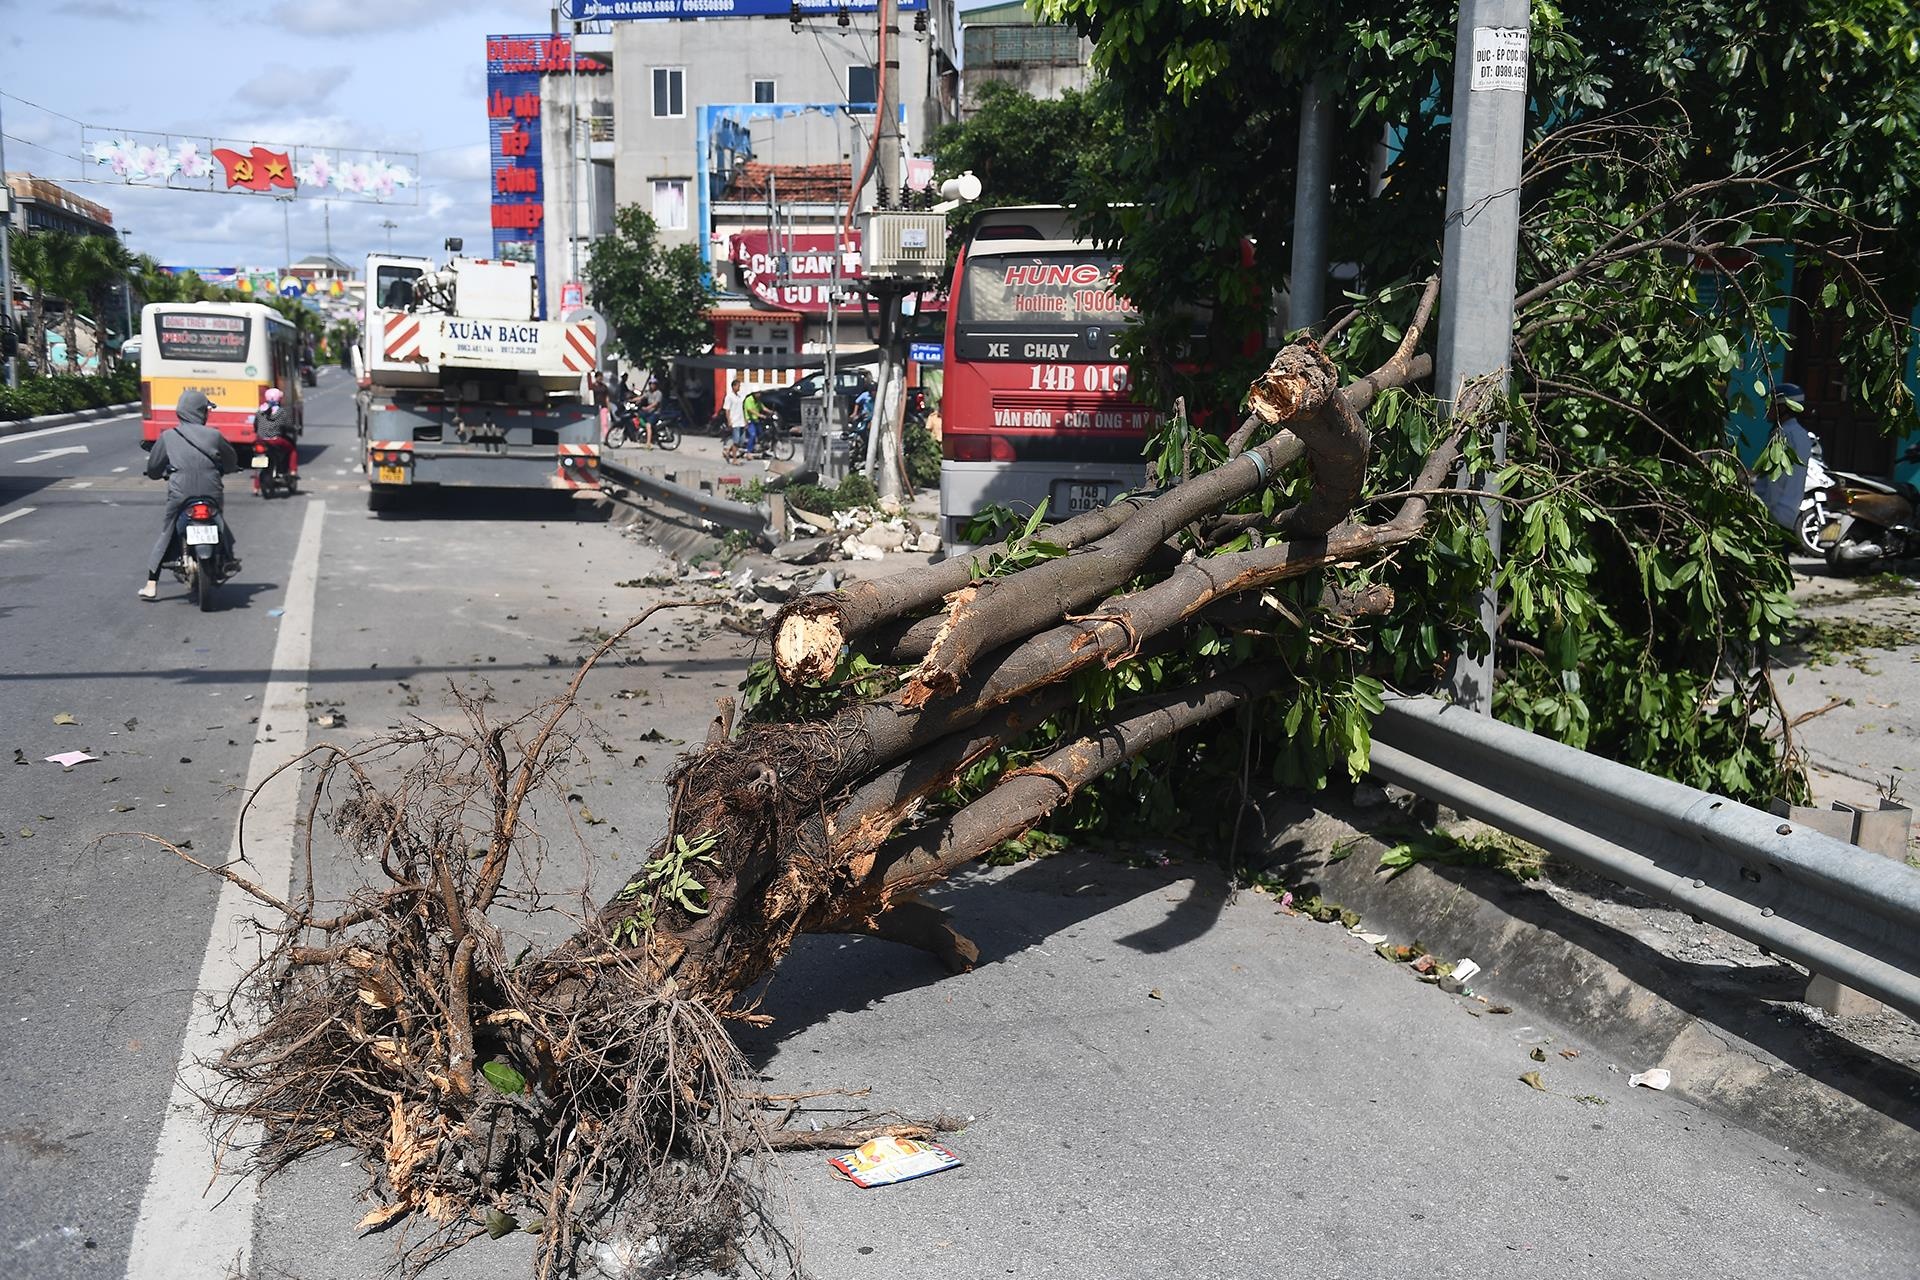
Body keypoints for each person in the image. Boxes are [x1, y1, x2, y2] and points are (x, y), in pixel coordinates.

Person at [141, 389, 240, 600]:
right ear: (201, 412)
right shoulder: (214, 435)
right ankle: (227, 557)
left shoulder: (168, 436)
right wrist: (230, 468)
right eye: (206, 410)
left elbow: (154, 469)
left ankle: (151, 584)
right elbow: (231, 459)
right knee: (218, 518)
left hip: (180, 492)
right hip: (211, 489)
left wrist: (157, 473)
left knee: (167, 531)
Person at [1753, 383, 1813, 531]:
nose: (1767, 409)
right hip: (1789, 513)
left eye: (1771, 404)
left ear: (1783, 408)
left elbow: (1776, 480)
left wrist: (1764, 509)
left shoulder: (1783, 435)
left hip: (1775, 513)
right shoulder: (1801, 434)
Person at [253, 387, 298, 478]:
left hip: (260, 440)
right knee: (292, 450)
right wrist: (293, 428)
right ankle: (293, 471)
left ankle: (256, 488)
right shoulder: (280, 412)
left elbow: (255, 425)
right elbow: (287, 426)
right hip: (275, 440)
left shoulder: (260, 410)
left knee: (258, 461)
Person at [723, 375, 749, 454]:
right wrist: (729, 421)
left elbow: (742, 409)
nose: (739, 388)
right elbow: (727, 410)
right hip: (734, 421)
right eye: (738, 386)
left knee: (741, 441)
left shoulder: (739, 397)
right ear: (733, 386)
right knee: (736, 441)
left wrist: (745, 420)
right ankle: (734, 459)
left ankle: (728, 451)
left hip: (741, 421)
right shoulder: (729, 397)